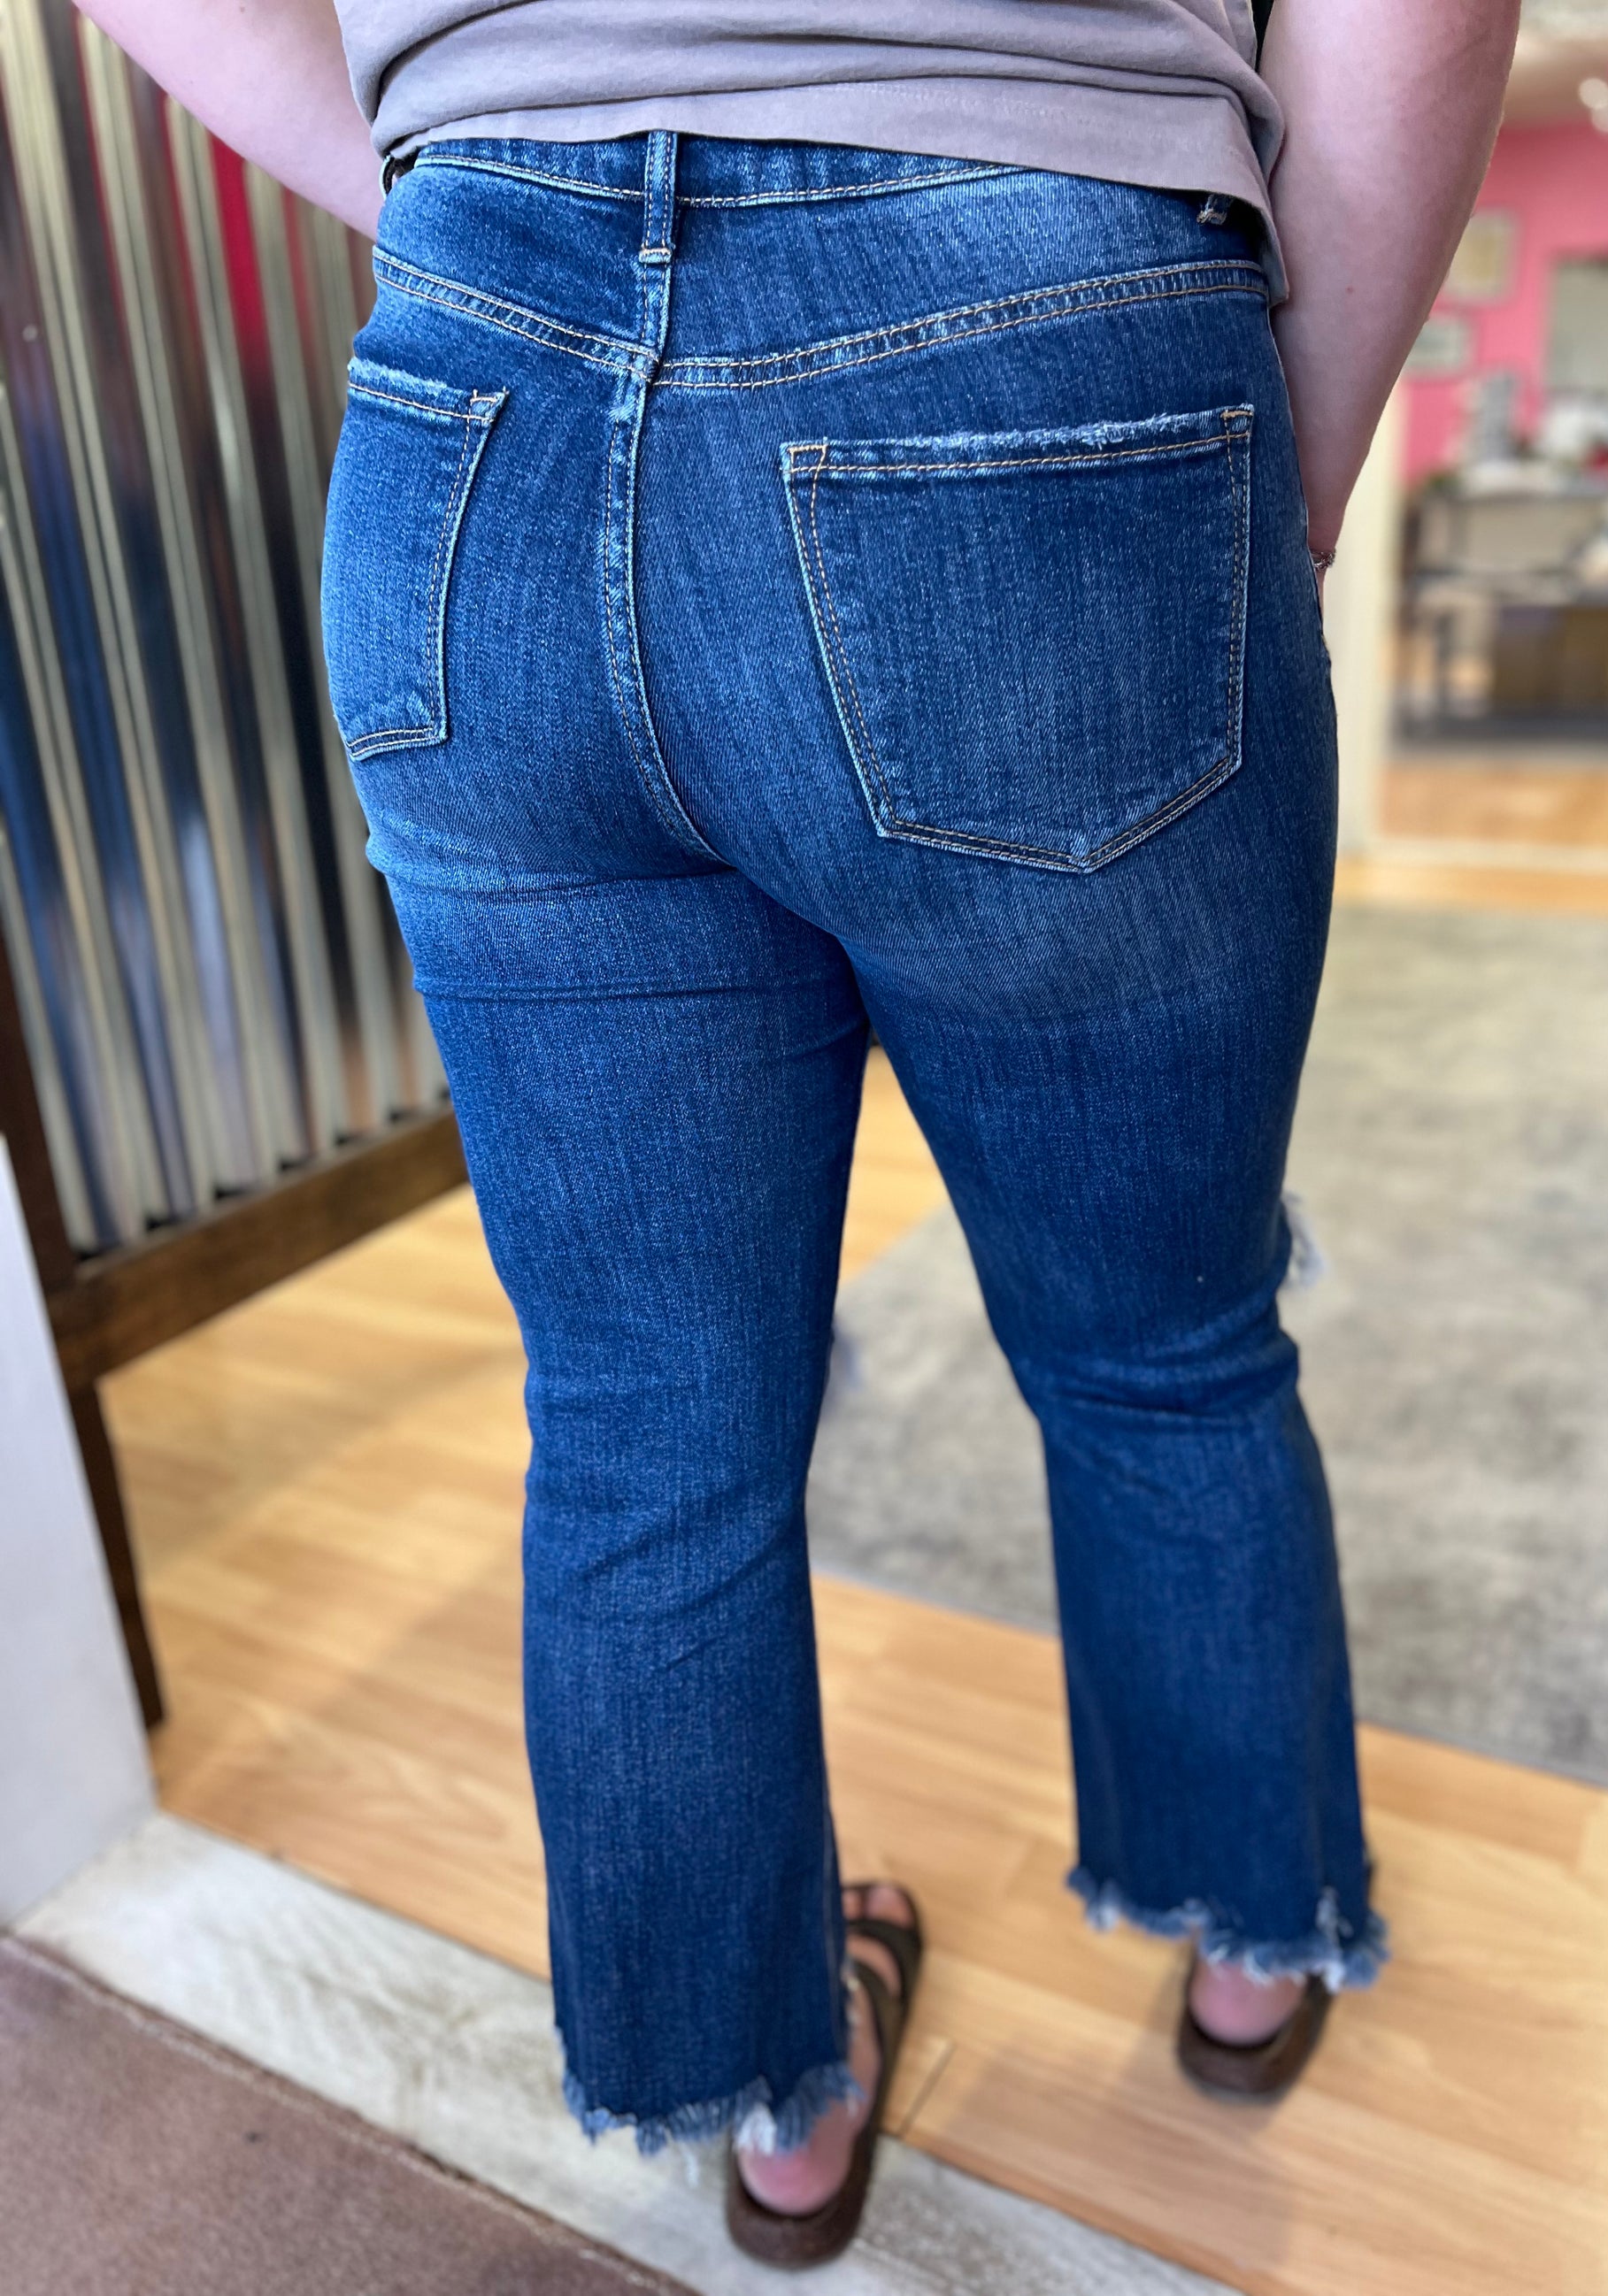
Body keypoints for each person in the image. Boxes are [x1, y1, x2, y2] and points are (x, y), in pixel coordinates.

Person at [88, 0, 1520, 2264]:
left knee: (641, 1423)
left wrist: (474, 186)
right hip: (1032, 342)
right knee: (1159, 1337)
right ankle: (1250, 1942)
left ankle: (774, 2112)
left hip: (476, 403)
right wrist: (1290, 466)